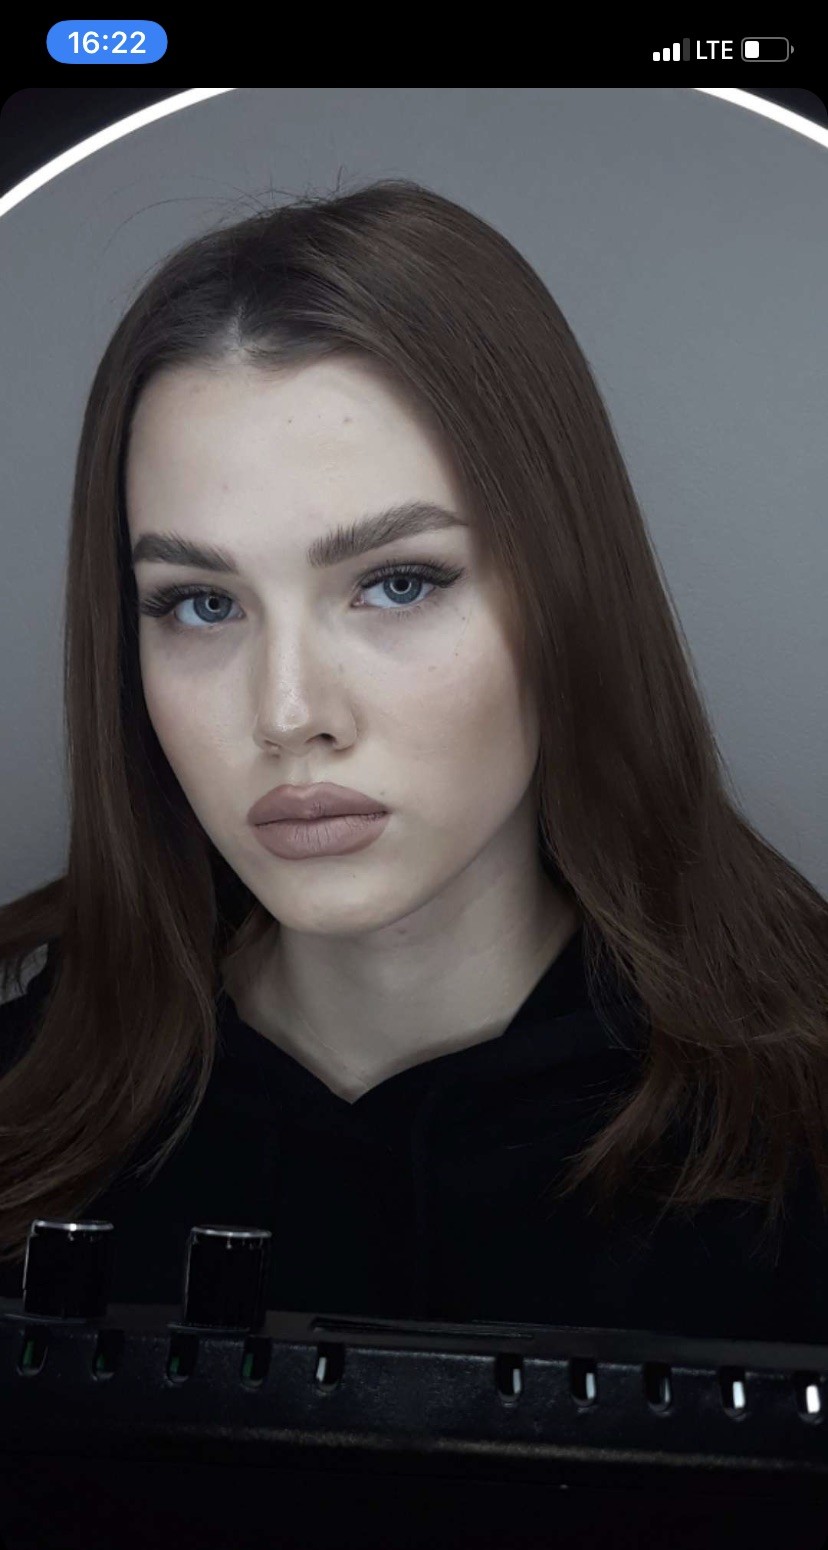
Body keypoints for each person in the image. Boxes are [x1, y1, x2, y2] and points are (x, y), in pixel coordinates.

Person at [0, 177, 826, 1339]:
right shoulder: (19, 1107)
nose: (289, 713)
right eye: (199, 603)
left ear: (567, 596)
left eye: (398, 583)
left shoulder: (801, 1135)